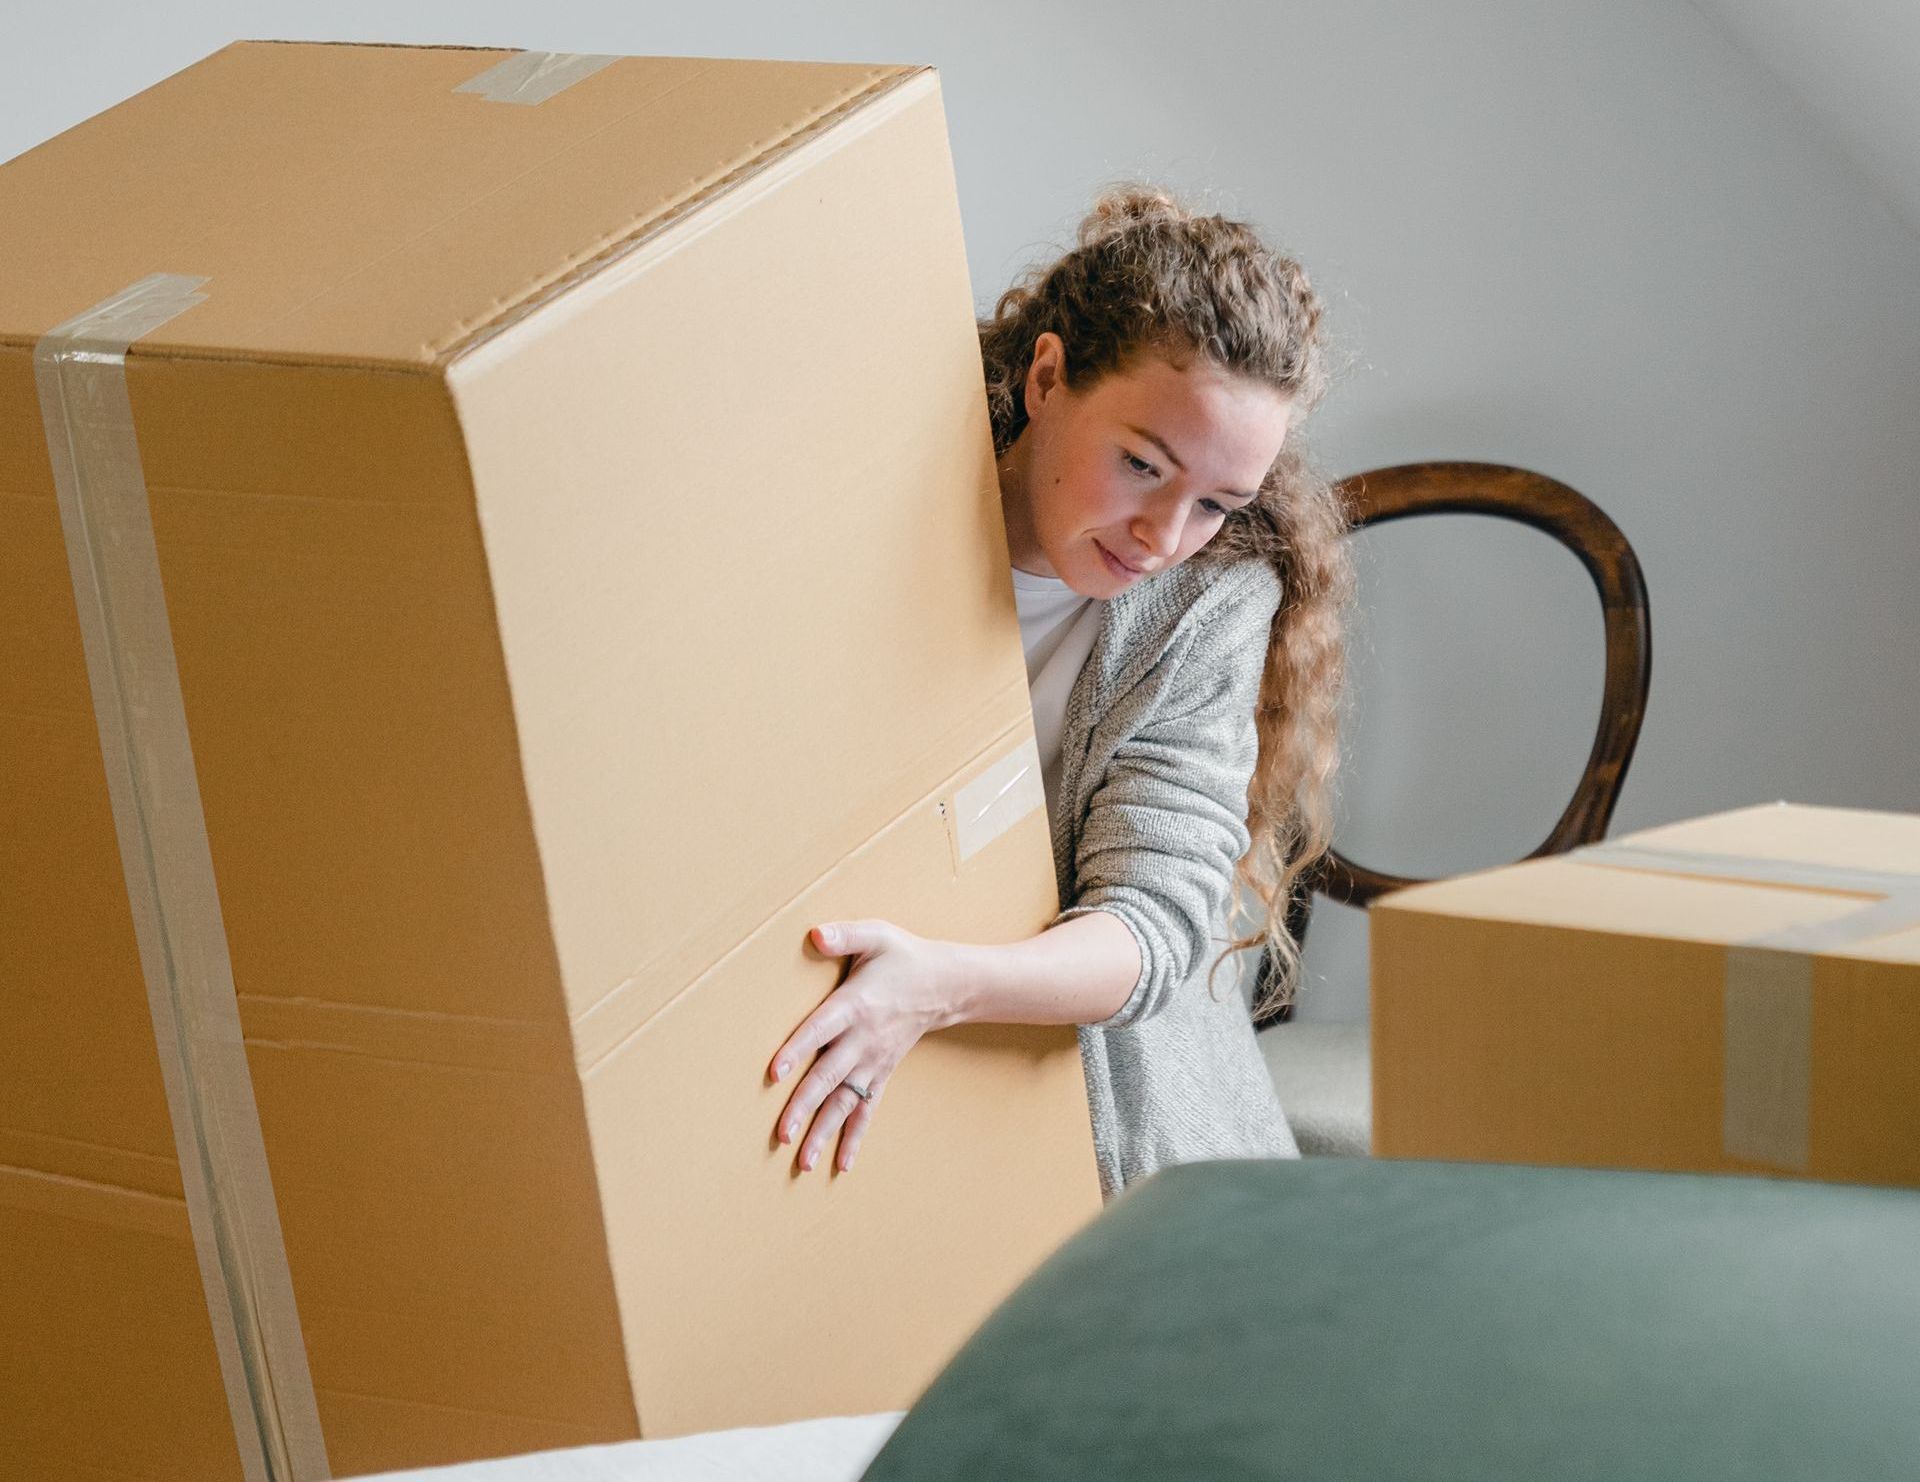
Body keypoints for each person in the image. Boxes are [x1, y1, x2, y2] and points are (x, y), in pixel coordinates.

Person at [766, 184, 1353, 1201]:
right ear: (1048, 377)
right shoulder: (864, 503)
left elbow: (1156, 923)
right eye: (1140, 464)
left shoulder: (1207, 601)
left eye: (1217, 503)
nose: (1163, 538)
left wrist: (939, 988)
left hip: (1082, 1077)